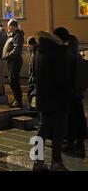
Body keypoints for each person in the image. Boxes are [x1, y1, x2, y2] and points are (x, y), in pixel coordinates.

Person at [34, 31, 73, 171]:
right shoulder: (58, 54)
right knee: (58, 131)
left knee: (43, 129)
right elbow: (62, 79)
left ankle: (37, 160)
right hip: (58, 98)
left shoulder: (40, 52)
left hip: (43, 98)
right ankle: (56, 161)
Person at [54, 27, 87, 158]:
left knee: (72, 119)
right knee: (78, 118)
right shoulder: (77, 55)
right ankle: (78, 144)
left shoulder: (67, 57)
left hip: (70, 93)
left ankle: (73, 144)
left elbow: (65, 76)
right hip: (78, 93)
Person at [2, 19, 24, 108]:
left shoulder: (18, 35)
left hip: (15, 61)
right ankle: (16, 99)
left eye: (9, 26)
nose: (8, 28)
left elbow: (16, 49)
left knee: (14, 80)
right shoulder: (13, 35)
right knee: (12, 80)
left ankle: (18, 100)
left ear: (14, 27)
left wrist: (7, 55)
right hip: (11, 61)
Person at [27, 37, 38, 111]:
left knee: (32, 94)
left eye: (28, 45)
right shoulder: (34, 53)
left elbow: (34, 69)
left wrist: (32, 79)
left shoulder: (35, 54)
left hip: (34, 80)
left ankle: (33, 109)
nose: (27, 46)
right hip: (33, 79)